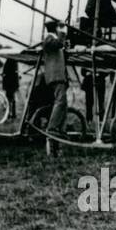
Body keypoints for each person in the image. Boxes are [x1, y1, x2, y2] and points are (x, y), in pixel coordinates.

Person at [39, 20, 69, 156]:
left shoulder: (52, 39)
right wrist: (63, 34)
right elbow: (57, 44)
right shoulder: (50, 39)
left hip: (58, 76)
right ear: (55, 28)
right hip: (55, 77)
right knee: (60, 102)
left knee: (63, 104)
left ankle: (59, 133)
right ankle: (52, 131)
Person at [1, 54, 20, 119]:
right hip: (12, 84)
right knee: (12, 99)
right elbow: (16, 74)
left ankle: (9, 113)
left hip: (9, 84)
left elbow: (4, 74)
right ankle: (13, 113)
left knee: (9, 99)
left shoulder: (8, 62)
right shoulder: (15, 62)